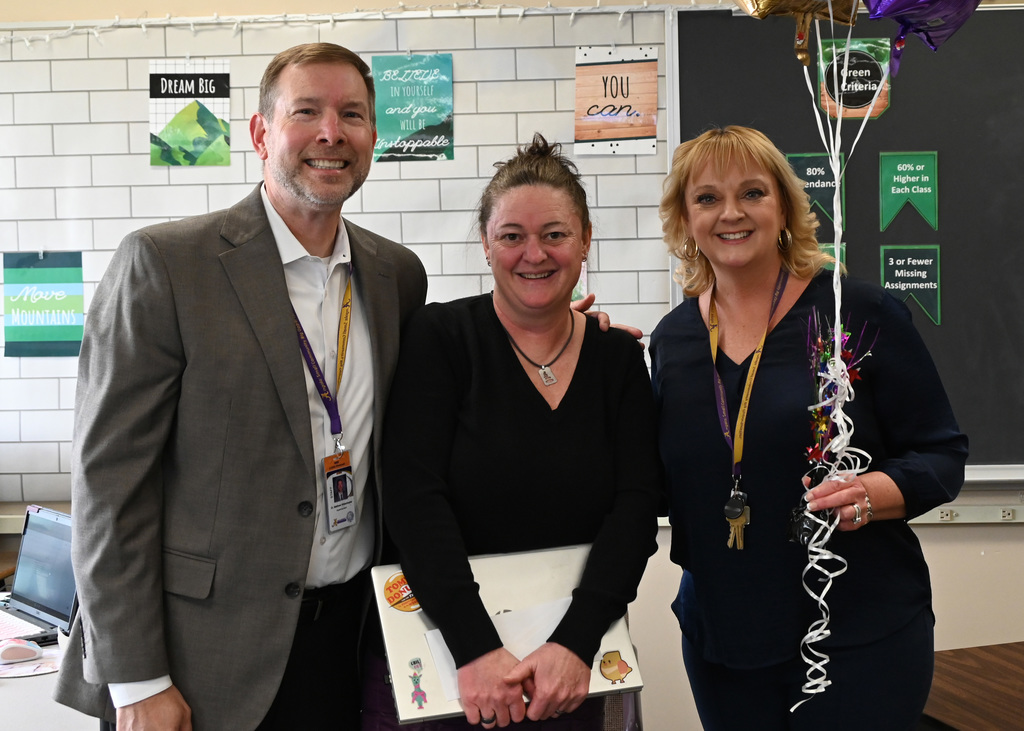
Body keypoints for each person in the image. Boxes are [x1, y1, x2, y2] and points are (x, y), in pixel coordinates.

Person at [53, 43, 429, 730]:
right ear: (260, 133)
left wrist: (556, 333)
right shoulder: (166, 265)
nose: (331, 133)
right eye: (306, 111)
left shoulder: (396, 275)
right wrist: (136, 680)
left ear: (373, 136)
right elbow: (109, 485)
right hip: (199, 665)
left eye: (352, 114)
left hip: (348, 644)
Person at [650, 125, 969, 730]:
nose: (731, 213)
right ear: (684, 218)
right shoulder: (671, 340)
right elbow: (662, 481)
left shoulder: (859, 314)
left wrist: (876, 494)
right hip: (725, 637)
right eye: (708, 198)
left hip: (857, 629)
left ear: (786, 207)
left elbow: (943, 454)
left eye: (752, 193)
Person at [368, 134, 663, 730]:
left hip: (571, 672)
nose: (535, 254)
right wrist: (475, 648)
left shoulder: (618, 359)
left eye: (555, 234)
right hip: (458, 665)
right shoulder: (441, 338)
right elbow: (413, 499)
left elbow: (636, 510)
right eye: (512, 236)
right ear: (486, 244)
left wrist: (575, 645)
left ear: (584, 243)